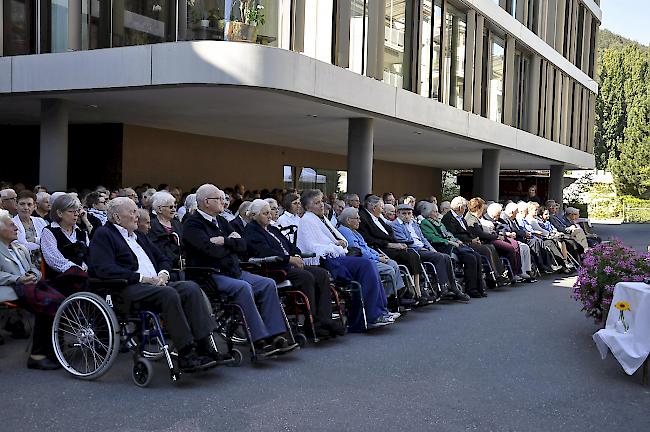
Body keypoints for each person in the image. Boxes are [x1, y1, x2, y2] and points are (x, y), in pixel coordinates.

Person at [89, 197, 222, 371]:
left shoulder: (139, 236)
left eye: (136, 211)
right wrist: (141, 278)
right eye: (132, 212)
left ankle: (205, 346)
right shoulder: (104, 234)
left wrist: (163, 274)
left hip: (155, 284)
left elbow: (162, 258)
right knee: (169, 294)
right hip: (125, 288)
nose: (137, 215)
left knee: (190, 288)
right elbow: (103, 268)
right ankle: (186, 352)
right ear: (117, 217)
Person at [183, 184, 299, 356]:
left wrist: (224, 241)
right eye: (219, 199)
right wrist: (230, 244)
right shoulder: (192, 224)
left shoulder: (221, 221)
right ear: (207, 202)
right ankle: (259, 340)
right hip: (210, 274)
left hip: (233, 270)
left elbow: (243, 245)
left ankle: (275, 334)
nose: (223, 202)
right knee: (243, 287)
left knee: (268, 283)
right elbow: (210, 251)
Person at [244, 199, 344, 339]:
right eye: (265, 213)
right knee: (306, 277)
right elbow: (264, 252)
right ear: (254, 215)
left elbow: (290, 246)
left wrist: (296, 254)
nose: (269, 216)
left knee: (321, 274)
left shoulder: (272, 228)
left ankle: (325, 320)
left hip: (288, 265)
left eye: (269, 213)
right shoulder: (251, 232)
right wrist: (289, 259)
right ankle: (312, 323)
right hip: (273, 269)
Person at [296, 189, 396, 330]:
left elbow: (340, 240)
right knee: (366, 264)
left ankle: (380, 310)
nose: (321, 205)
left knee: (368, 265)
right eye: (317, 203)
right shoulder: (306, 221)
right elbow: (313, 247)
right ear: (307, 207)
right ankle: (373, 315)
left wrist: (340, 244)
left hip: (338, 256)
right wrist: (336, 246)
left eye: (321, 201)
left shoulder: (322, 219)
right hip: (327, 261)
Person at [0, 209, 62, 370]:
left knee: (59, 300)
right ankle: (37, 355)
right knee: (45, 305)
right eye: (11, 225)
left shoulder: (20, 247)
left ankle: (54, 347)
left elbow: (34, 268)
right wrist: (18, 278)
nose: (17, 228)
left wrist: (32, 275)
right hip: (10, 288)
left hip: (30, 285)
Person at [390, 204, 470, 302]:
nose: (407, 216)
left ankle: (453, 287)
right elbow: (403, 241)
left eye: (409, 213)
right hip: (413, 250)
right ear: (398, 214)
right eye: (404, 213)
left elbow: (423, 238)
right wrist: (421, 248)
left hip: (423, 248)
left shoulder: (414, 223)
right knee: (439, 257)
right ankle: (443, 287)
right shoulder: (395, 225)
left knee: (445, 257)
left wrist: (431, 248)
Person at [358, 195, 428, 303]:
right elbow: (369, 239)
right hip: (381, 248)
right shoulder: (365, 219)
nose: (382, 211)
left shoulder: (377, 218)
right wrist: (391, 245)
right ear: (374, 208)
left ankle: (415, 289)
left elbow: (389, 232)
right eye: (381, 208)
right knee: (410, 255)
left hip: (391, 245)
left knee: (412, 253)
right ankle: (411, 291)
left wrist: (399, 243)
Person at [419, 202, 486, 298]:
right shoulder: (425, 223)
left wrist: (455, 240)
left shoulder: (438, 222)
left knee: (476, 255)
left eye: (437, 211)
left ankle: (479, 288)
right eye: (434, 212)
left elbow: (448, 233)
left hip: (452, 244)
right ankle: (471, 289)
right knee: (470, 257)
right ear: (429, 213)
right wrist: (450, 242)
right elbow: (432, 238)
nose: (437, 214)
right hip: (443, 246)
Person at [337, 207, 405, 299]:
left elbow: (366, 247)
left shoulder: (355, 231)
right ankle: (388, 298)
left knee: (392, 263)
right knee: (389, 270)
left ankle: (395, 295)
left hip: (370, 257)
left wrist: (378, 255)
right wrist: (377, 258)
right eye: (357, 218)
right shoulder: (345, 231)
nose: (360, 221)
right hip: (362, 261)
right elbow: (359, 250)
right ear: (348, 220)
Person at [441, 196, 508, 287]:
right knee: (485, 249)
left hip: (468, 241)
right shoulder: (449, 218)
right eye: (464, 206)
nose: (466, 209)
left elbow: (467, 231)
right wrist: (471, 240)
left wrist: (474, 239)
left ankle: (498, 273)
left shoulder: (461, 218)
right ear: (460, 207)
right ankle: (492, 275)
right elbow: (455, 234)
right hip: (460, 243)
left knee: (490, 247)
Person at [465, 197, 521, 283]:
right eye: (482, 208)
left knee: (491, 248)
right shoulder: (471, 219)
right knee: (489, 249)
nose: (483, 210)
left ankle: (498, 274)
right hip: (476, 241)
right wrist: (496, 237)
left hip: (481, 240)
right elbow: (480, 233)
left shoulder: (474, 217)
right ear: (478, 208)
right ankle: (494, 275)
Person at [484, 203, 535, 282]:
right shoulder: (487, 219)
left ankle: (522, 271)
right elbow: (493, 231)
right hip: (495, 238)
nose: (498, 217)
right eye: (497, 215)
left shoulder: (500, 219)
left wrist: (509, 233)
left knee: (518, 245)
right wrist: (505, 234)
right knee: (511, 247)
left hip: (504, 236)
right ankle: (513, 273)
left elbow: (508, 228)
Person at [148, 191, 183, 269]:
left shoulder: (177, 224)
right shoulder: (151, 226)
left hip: (180, 267)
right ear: (160, 209)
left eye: (175, 206)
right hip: (163, 266)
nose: (174, 209)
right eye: (170, 207)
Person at [13, 191, 48, 268]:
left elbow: (48, 241)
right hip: (23, 263)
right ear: (16, 205)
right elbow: (19, 246)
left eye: (29, 204)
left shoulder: (40, 221)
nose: (26, 208)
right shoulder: (11, 223)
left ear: (34, 206)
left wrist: (34, 239)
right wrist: (40, 242)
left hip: (46, 261)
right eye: (22, 204)